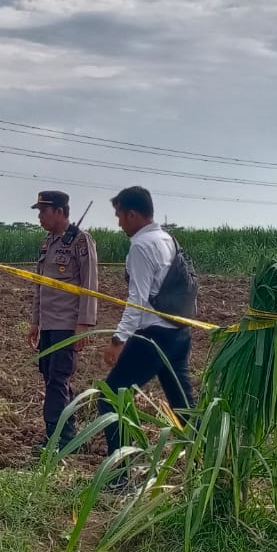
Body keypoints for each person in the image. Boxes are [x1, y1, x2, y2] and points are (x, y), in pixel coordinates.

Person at [96, 186, 195, 472]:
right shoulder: (168, 239)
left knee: (112, 399)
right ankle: (211, 468)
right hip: (178, 333)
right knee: (184, 408)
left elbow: (137, 300)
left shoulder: (141, 245)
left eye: (119, 216)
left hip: (153, 337)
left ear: (132, 214)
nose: (118, 223)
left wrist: (118, 340)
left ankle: (121, 474)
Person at [28, 190, 99, 448]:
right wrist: (35, 321)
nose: (40, 217)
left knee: (58, 380)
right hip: (48, 324)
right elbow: (40, 286)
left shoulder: (80, 241)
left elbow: (90, 284)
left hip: (67, 325)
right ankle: (68, 433)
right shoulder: (47, 244)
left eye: (43, 211)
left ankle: (58, 439)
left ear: (59, 211)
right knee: (51, 377)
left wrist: (84, 325)